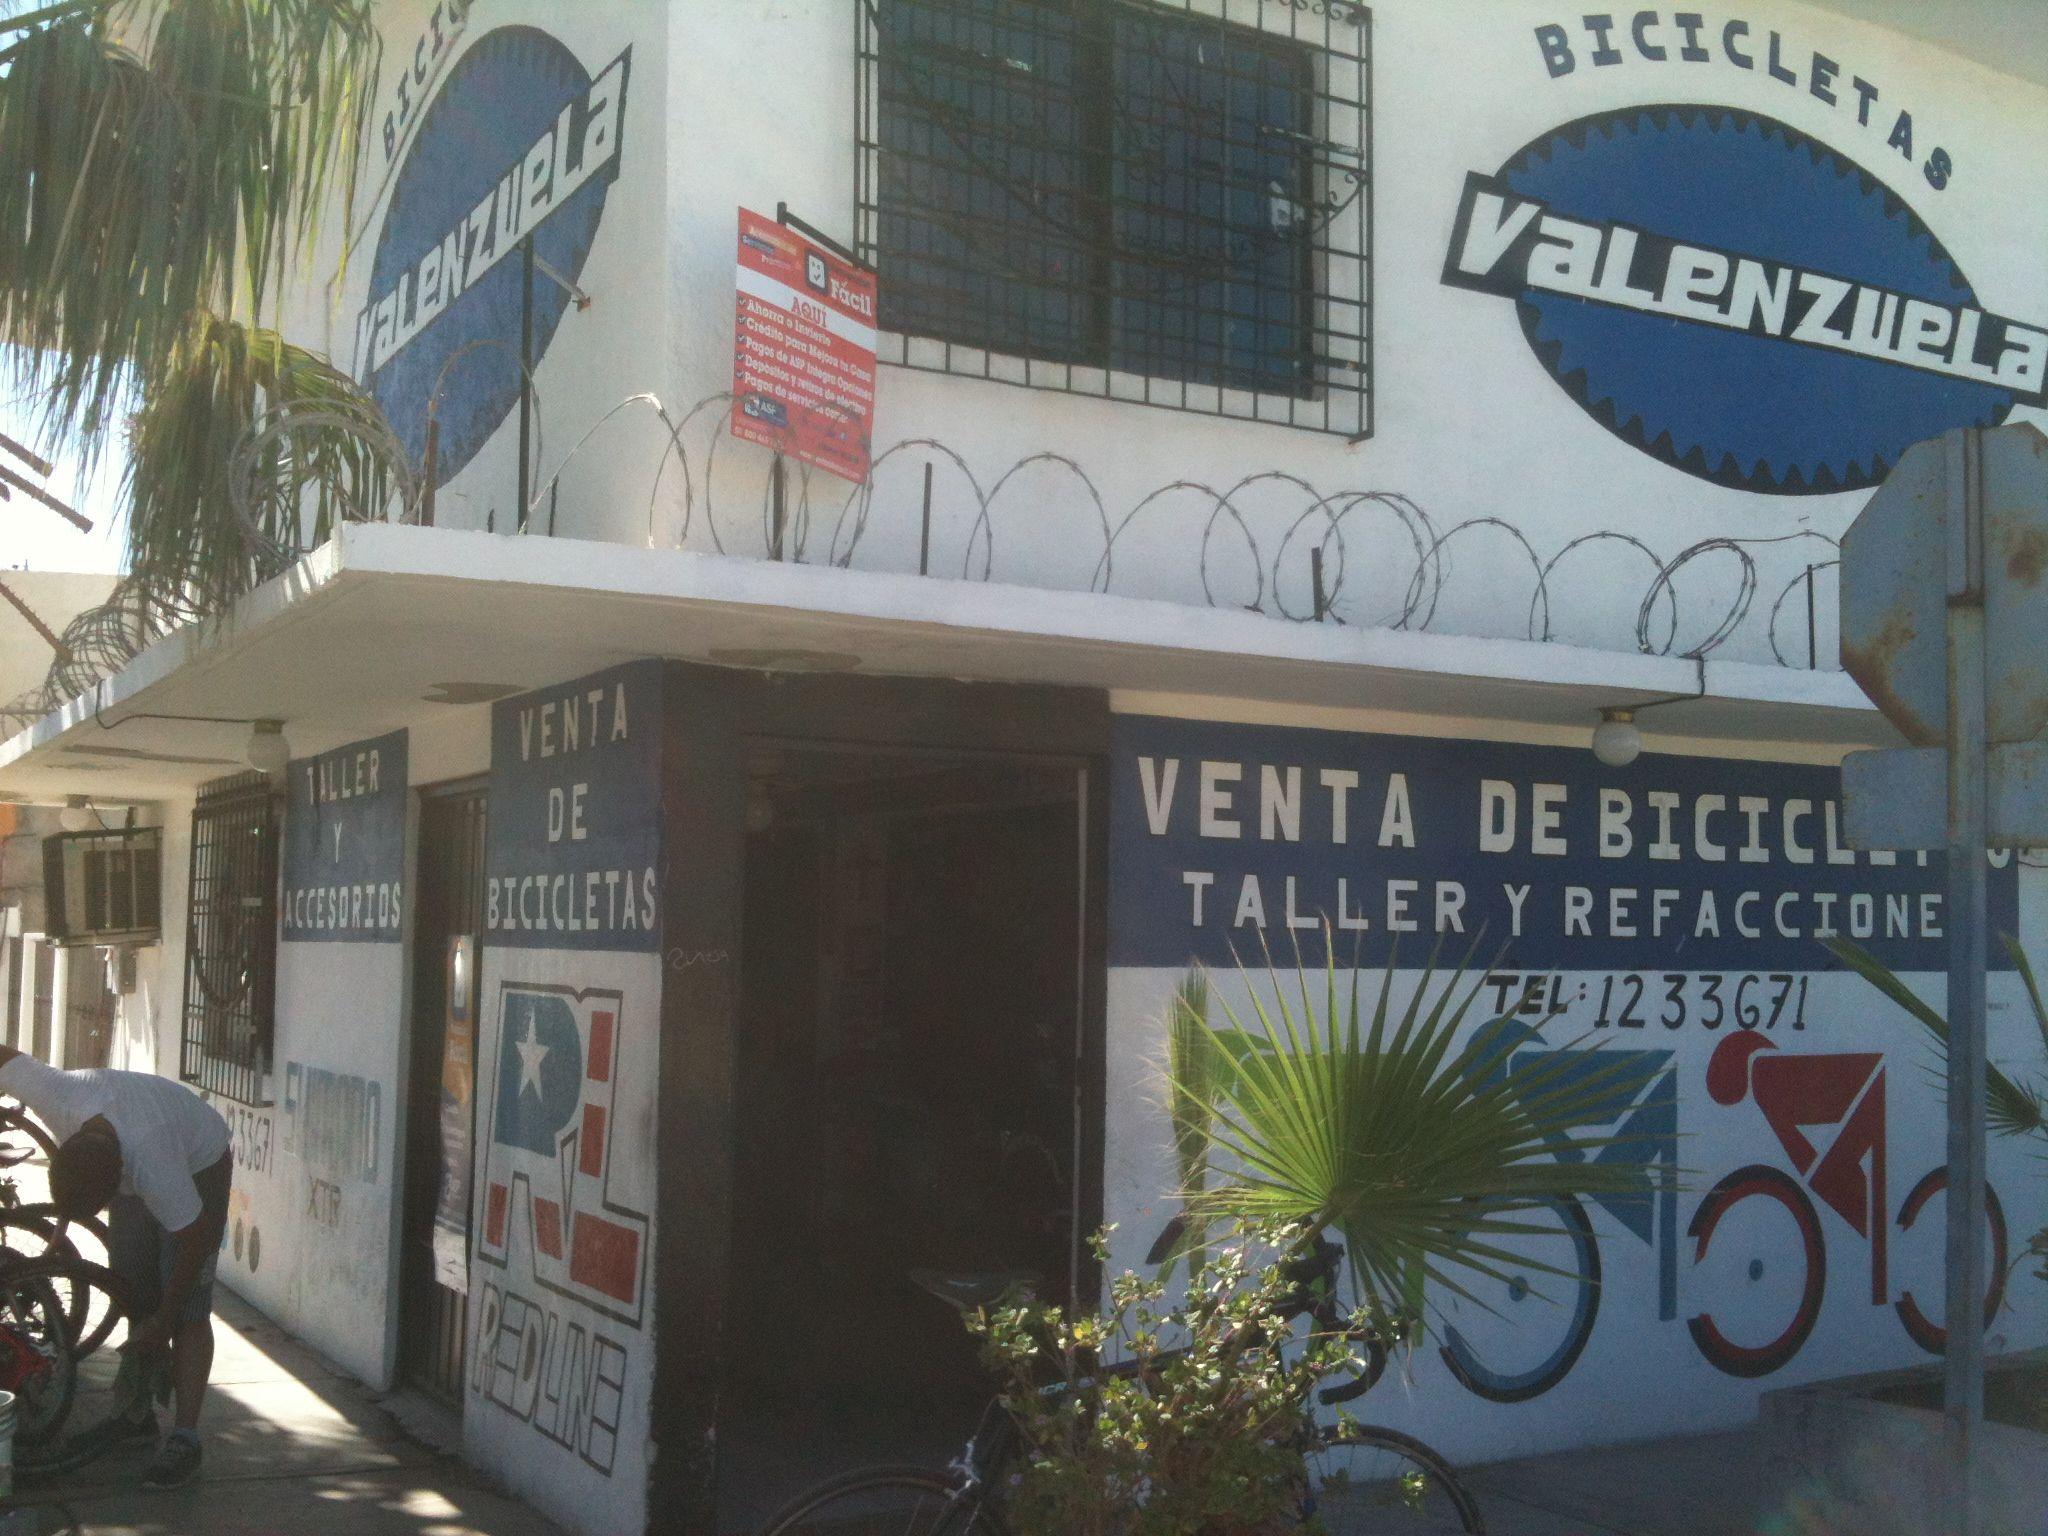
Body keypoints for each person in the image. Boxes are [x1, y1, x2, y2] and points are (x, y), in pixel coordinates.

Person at [0, 1043, 231, 1489]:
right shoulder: (57, 1096)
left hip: (200, 1157)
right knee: (133, 1289)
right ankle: (136, 1414)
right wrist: (150, 1313)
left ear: (121, 1180)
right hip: (136, 1137)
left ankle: (185, 1437)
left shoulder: (154, 1166)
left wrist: (164, 1321)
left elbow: (195, 1241)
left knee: (187, 1310)